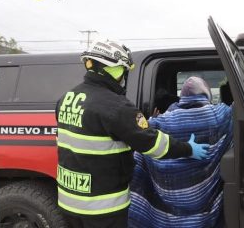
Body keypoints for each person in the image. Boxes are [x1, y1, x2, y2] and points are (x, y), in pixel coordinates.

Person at [55, 39, 210, 228]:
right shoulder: (117, 106)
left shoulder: (67, 98)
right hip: (102, 208)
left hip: (69, 201)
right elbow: (153, 144)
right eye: (124, 71)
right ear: (116, 70)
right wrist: (188, 149)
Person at [129, 76, 233, 228]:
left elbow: (142, 133)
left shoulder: (162, 121)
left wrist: (152, 119)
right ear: (206, 94)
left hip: (165, 208)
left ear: (182, 97)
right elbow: (240, 111)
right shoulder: (218, 116)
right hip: (206, 206)